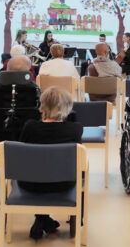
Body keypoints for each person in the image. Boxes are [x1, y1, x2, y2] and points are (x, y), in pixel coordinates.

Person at [18, 86, 83, 239]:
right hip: (63, 183)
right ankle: (44, 220)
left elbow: (21, 158)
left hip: (30, 184)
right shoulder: (75, 129)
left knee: (39, 171)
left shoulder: (30, 127)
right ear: (67, 107)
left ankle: (42, 219)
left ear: (43, 106)